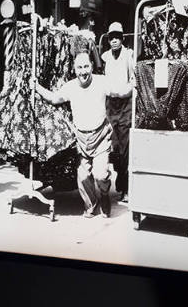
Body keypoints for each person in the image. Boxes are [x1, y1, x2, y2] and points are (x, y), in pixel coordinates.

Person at [34, 52, 132, 218]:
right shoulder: (71, 86)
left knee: (101, 175)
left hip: (101, 136)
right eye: (79, 67)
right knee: (84, 176)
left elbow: (121, 92)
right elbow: (54, 98)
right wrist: (36, 87)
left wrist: (134, 83)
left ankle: (104, 196)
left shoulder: (102, 81)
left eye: (86, 66)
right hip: (80, 138)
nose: (83, 71)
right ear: (74, 69)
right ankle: (91, 205)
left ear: (91, 67)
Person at [100, 22, 134, 203]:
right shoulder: (105, 57)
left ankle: (126, 189)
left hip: (125, 105)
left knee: (126, 148)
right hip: (110, 106)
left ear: (122, 38)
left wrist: (123, 92)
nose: (114, 41)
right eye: (111, 37)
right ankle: (119, 185)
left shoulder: (128, 56)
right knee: (113, 147)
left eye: (117, 37)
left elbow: (133, 82)